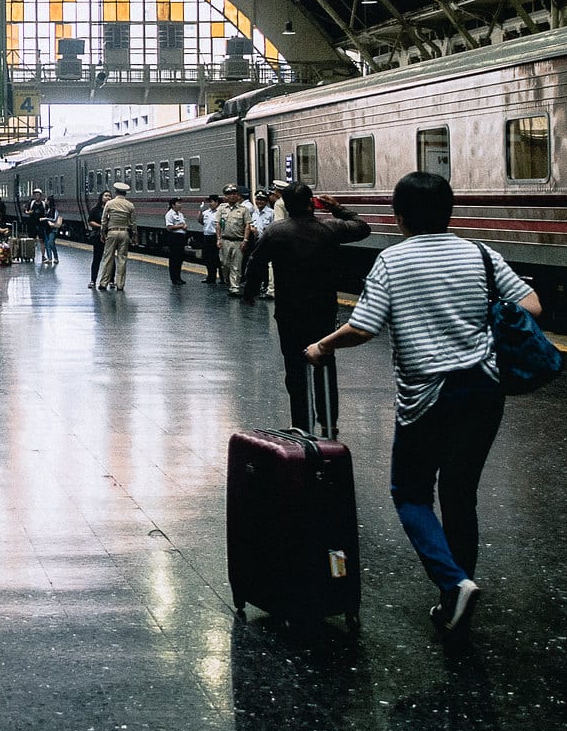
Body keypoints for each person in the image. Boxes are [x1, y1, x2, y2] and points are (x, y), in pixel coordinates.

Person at [306, 171, 541, 640]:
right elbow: (531, 306)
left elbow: (363, 328)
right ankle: (457, 593)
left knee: (411, 493)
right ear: (450, 210)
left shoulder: (392, 261)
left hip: (428, 396)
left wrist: (322, 346)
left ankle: (454, 584)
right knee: (460, 494)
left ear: (398, 216)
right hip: (484, 388)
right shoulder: (480, 254)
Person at [243, 182, 370, 431]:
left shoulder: (275, 231)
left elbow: (256, 263)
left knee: (294, 368)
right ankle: (329, 422)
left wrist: (249, 292)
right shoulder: (329, 227)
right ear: (312, 203)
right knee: (324, 363)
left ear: (286, 206)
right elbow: (362, 228)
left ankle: (301, 424)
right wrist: (337, 208)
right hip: (322, 311)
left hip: (289, 313)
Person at [97, 181, 137, 291]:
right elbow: (133, 223)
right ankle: (120, 284)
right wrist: (134, 236)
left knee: (108, 257)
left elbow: (104, 220)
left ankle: (104, 282)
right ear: (125, 193)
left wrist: (102, 233)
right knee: (122, 259)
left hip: (112, 232)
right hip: (124, 233)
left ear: (115, 192)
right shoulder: (130, 205)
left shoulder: (109, 204)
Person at [217, 183, 254, 295]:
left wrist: (245, 240)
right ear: (225, 196)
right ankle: (228, 281)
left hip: (238, 241)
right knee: (225, 264)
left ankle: (234, 287)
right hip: (225, 240)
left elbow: (247, 225)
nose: (232, 196)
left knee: (236, 265)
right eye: (229, 194)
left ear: (238, 196)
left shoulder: (244, 210)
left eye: (234, 194)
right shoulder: (221, 208)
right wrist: (218, 239)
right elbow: (218, 224)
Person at [86, 189, 109, 287]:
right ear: (101, 198)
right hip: (98, 236)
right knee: (97, 258)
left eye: (109, 196)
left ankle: (111, 280)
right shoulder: (95, 210)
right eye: (106, 196)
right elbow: (90, 221)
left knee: (110, 259)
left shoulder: (112, 210)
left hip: (109, 236)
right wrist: (101, 226)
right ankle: (93, 280)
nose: (108, 197)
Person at [164, 197, 189, 285]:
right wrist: (181, 226)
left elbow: (183, 224)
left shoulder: (180, 214)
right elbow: (169, 227)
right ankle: (174, 278)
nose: (180, 205)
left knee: (180, 258)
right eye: (178, 203)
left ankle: (178, 277)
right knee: (174, 258)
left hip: (181, 237)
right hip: (174, 237)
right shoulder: (169, 214)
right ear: (173, 205)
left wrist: (184, 227)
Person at [198, 194, 222, 284]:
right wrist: (200, 210)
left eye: (211, 202)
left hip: (216, 237)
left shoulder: (220, 212)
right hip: (207, 236)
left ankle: (222, 278)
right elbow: (200, 221)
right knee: (208, 259)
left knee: (218, 259)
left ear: (217, 202)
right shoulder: (206, 212)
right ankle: (210, 277)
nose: (210, 204)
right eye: (209, 202)